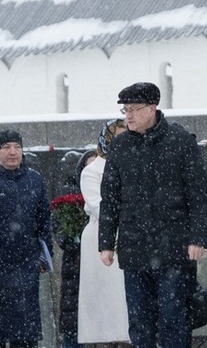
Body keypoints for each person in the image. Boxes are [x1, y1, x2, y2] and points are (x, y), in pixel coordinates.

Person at [99, 82, 207, 348]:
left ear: (152, 108)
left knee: (175, 318)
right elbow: (110, 198)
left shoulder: (181, 141)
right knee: (139, 321)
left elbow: (198, 194)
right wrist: (106, 243)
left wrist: (198, 238)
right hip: (134, 247)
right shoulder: (120, 146)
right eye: (125, 110)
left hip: (174, 247)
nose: (128, 116)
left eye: (133, 109)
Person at [0, 129, 53, 348]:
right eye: (6, 147)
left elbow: (44, 220)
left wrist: (45, 255)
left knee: (25, 329)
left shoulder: (34, 179)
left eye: (17, 147)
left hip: (27, 263)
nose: (13, 152)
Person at [78, 119, 131, 346]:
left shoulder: (134, 164)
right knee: (106, 299)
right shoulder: (92, 171)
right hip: (102, 235)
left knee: (128, 299)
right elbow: (99, 206)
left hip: (130, 233)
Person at [53, 149, 97, 348]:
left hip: (106, 264)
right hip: (76, 265)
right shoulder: (69, 196)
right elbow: (60, 231)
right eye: (89, 166)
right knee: (74, 319)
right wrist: (77, 239)